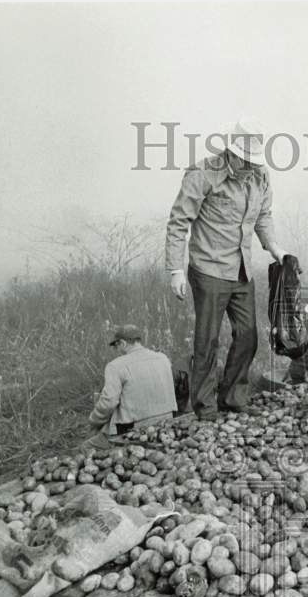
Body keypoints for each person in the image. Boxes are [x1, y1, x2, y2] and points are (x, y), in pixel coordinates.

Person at [166, 117, 289, 420]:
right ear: (231, 153)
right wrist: (176, 270)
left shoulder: (261, 177)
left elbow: (263, 216)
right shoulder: (202, 174)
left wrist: (275, 248)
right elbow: (179, 222)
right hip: (208, 270)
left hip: (241, 270)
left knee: (249, 336)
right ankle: (205, 408)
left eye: (254, 161)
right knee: (207, 341)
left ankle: (232, 397)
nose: (250, 167)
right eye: (245, 161)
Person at [86, 325, 176, 446]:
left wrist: (93, 420)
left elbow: (108, 403)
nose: (116, 350)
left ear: (122, 343)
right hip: (167, 422)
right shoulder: (163, 358)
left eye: (116, 346)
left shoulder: (115, 366)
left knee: (86, 446)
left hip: (133, 430)